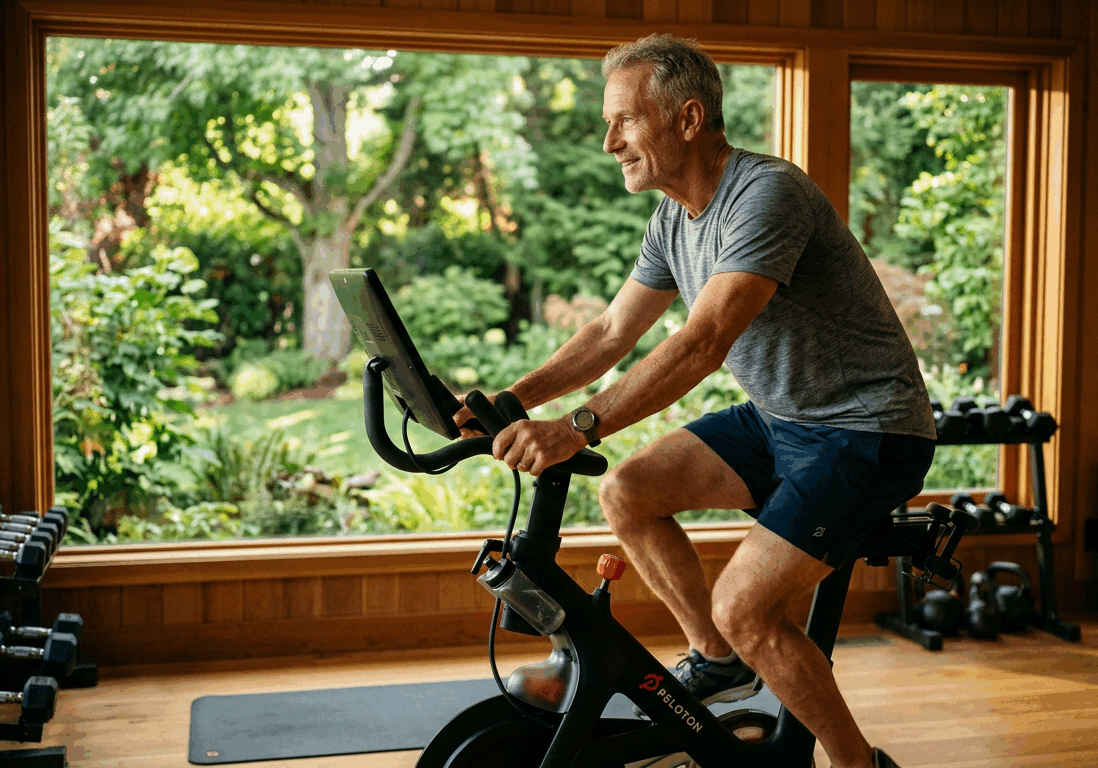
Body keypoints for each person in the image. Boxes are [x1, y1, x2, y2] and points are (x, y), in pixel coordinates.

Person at [455, 34, 936, 768]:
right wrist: (512, 399)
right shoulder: (674, 219)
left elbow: (705, 341)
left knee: (745, 606)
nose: (610, 140)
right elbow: (613, 329)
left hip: (867, 431)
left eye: (625, 120)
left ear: (686, 119)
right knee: (629, 490)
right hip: (783, 419)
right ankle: (716, 663)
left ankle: (855, 763)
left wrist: (578, 427)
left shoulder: (767, 194)